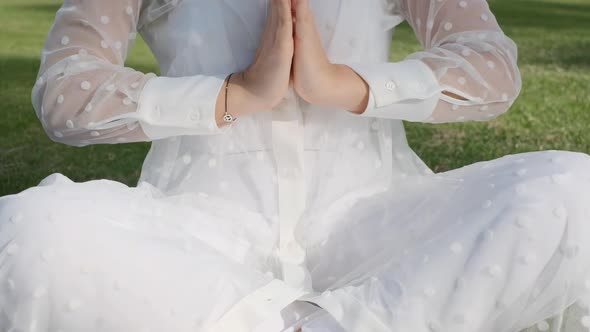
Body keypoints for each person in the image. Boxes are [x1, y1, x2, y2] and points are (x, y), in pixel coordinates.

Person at [1, 0, 590, 331]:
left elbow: (491, 67)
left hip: (378, 234)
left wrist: (347, 86)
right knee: (26, 233)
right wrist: (234, 93)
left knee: (573, 191)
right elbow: (65, 91)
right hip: (202, 244)